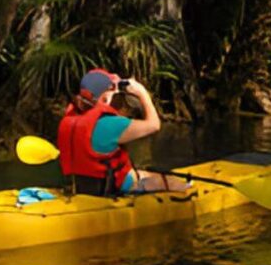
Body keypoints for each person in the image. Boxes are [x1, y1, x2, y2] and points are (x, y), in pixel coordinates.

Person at [56, 69, 188, 196]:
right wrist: (142, 93)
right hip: (109, 188)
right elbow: (154, 125)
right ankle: (190, 192)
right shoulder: (110, 124)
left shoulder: (69, 120)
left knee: (144, 173)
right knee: (170, 181)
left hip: (79, 186)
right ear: (106, 97)